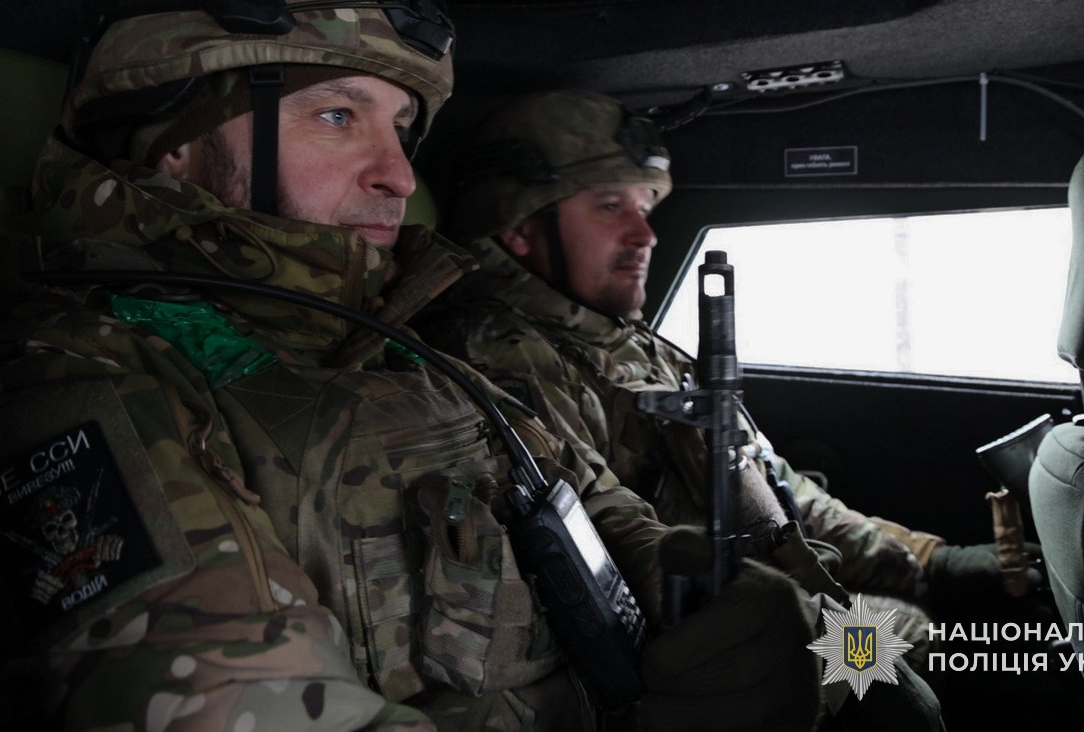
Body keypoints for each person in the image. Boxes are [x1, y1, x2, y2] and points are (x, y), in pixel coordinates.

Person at [0, 0, 829, 731]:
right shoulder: (69, 371)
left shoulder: (400, 340)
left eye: (401, 127)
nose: (401, 175)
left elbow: (580, 497)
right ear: (173, 141)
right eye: (338, 115)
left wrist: (682, 580)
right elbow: (234, 702)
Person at [415, 89, 1046, 679]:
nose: (645, 234)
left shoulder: (627, 346)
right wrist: (823, 630)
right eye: (609, 206)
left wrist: (928, 563)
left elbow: (769, 486)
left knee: (965, 633)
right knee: (935, 647)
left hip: (771, 596)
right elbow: (616, 574)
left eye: (644, 207)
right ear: (518, 226)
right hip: (709, 647)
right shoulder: (497, 366)